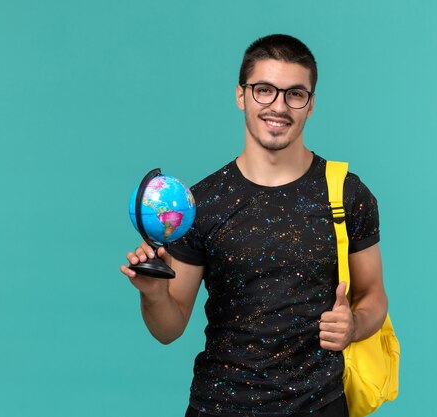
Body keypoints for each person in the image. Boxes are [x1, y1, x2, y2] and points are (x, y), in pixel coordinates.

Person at [120, 34, 388, 417]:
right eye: (264, 90)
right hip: (219, 407)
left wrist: (354, 325)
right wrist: (153, 293)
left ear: (311, 105)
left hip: (320, 405)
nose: (279, 106)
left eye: (295, 94)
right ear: (241, 96)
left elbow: (375, 297)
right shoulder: (202, 203)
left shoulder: (345, 193)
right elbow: (168, 329)